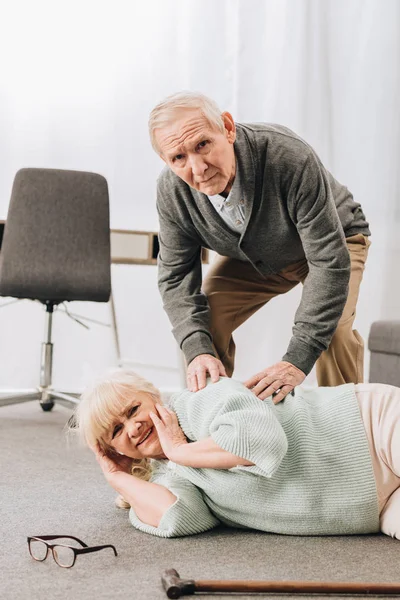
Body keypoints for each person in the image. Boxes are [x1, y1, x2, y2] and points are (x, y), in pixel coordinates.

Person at [148, 92, 371, 401]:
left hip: (334, 242)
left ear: (227, 128)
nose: (198, 168)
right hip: (253, 255)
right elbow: (175, 277)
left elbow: (327, 261)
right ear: (166, 161)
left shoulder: (287, 156)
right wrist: (197, 350)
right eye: (179, 158)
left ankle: (349, 429)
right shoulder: (172, 192)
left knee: (332, 331)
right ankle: (215, 423)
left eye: (202, 145)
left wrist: (296, 361)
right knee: (200, 328)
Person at [75, 369, 400, 540]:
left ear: (153, 396)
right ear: (112, 449)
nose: (132, 428)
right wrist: (116, 476)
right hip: (374, 506)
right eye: (116, 431)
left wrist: (180, 450)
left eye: (134, 410)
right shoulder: (166, 475)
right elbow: (178, 518)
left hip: (370, 426)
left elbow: (260, 441)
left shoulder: (199, 400)